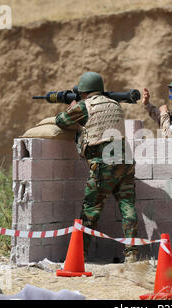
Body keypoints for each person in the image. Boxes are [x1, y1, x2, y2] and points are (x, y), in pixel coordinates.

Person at [55, 71, 138, 263]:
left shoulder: (85, 105)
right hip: (125, 161)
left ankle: (80, 255)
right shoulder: (115, 104)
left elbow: (61, 121)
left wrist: (72, 107)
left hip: (104, 163)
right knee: (128, 207)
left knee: (90, 210)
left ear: (83, 92)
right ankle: (132, 254)